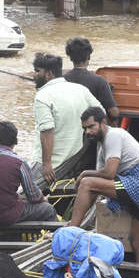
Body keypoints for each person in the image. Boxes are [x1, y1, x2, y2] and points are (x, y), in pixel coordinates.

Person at [70, 106, 139, 265]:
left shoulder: (113, 135)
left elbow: (109, 174)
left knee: (86, 182)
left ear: (103, 123)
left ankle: (71, 231)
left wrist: (83, 174)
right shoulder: (101, 146)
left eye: (91, 126)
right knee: (138, 245)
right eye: (85, 128)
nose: (87, 132)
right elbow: (95, 188)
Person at [32, 52, 103, 183]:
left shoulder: (42, 96)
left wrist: (46, 164)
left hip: (51, 164)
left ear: (48, 74)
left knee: (22, 195)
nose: (34, 75)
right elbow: (101, 114)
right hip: (75, 160)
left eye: (37, 71)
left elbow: (47, 131)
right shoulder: (81, 90)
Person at [0, 121, 57, 226]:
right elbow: (34, 196)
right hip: (5, 215)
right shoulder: (19, 163)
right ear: (15, 140)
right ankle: (55, 237)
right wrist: (44, 199)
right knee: (47, 209)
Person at [63, 37, 120, 126]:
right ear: (88, 57)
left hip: (68, 128)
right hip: (92, 133)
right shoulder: (99, 81)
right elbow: (114, 113)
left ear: (70, 58)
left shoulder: (62, 80)